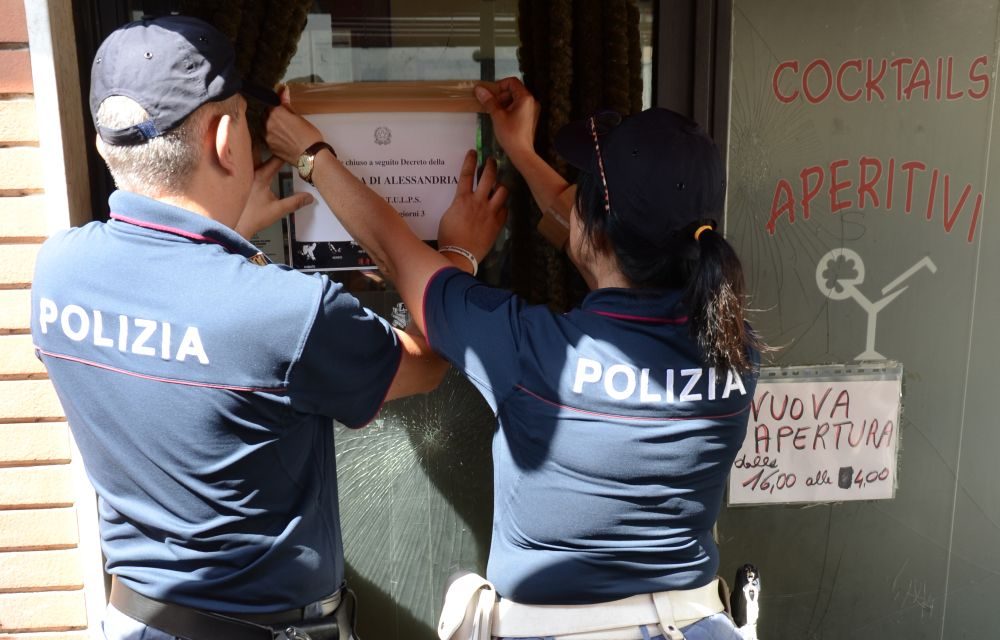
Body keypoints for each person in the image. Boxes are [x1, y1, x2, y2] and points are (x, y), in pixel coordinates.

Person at [264, 76, 761, 640]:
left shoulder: (531, 352)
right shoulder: (734, 348)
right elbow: (613, 242)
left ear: (592, 224)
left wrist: (311, 156)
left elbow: (396, 255)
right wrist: (521, 153)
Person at [29, 16, 452, 640]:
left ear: (104, 146)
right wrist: (460, 258)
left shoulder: (58, 269)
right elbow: (427, 361)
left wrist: (231, 245)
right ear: (227, 136)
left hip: (128, 621)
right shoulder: (285, 311)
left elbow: (177, 327)